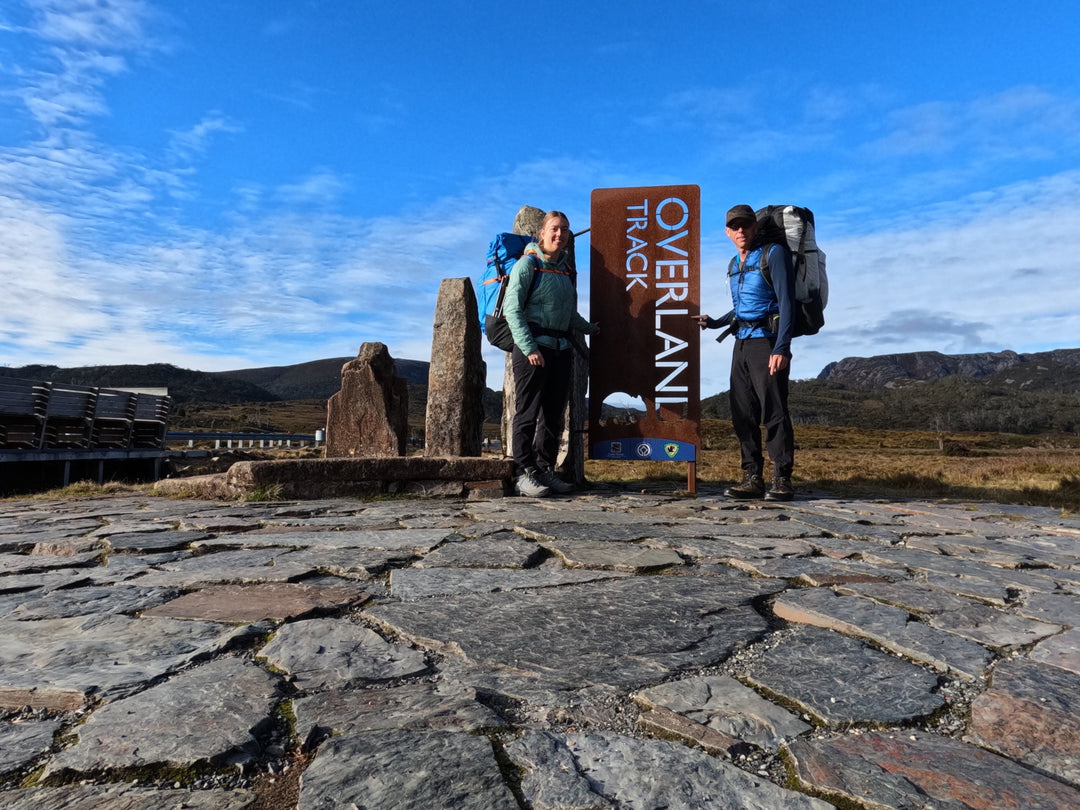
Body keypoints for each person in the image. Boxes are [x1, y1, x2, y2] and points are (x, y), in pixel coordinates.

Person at [695, 204, 796, 501]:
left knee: (774, 410)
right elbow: (741, 309)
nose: (741, 231)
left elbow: (786, 301)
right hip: (740, 343)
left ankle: (782, 478)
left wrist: (782, 346)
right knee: (742, 412)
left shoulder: (773, 254)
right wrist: (715, 323)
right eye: (735, 227)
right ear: (727, 232)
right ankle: (752, 477)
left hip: (767, 342)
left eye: (746, 226)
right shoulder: (734, 263)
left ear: (754, 227)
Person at [503, 210, 597, 497]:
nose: (560, 234)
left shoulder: (564, 270)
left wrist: (592, 328)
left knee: (553, 416)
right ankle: (523, 472)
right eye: (554, 229)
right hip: (534, 350)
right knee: (528, 413)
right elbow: (512, 309)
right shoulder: (527, 265)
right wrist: (529, 348)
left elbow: (568, 315)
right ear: (542, 233)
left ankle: (544, 469)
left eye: (565, 230)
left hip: (560, 350)